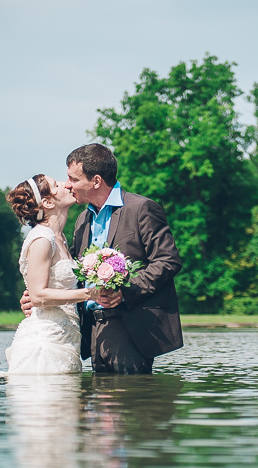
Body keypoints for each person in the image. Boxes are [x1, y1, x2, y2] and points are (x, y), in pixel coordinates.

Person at [23, 143, 184, 374]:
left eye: (73, 179)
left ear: (96, 181)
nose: (68, 185)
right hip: (91, 329)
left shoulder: (141, 209)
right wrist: (38, 294)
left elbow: (168, 261)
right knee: (99, 404)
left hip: (129, 324)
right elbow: (75, 274)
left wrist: (124, 292)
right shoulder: (81, 221)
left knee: (128, 402)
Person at [5, 174, 100, 374]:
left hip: (66, 337)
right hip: (45, 342)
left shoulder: (61, 238)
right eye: (57, 185)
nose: (66, 184)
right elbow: (38, 296)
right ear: (47, 202)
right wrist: (90, 294)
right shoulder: (42, 238)